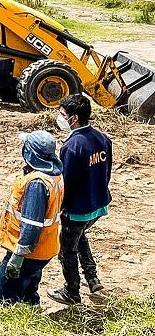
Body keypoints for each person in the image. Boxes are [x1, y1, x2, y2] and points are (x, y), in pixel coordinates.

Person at [47, 94, 113, 305]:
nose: (60, 117)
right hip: (98, 204)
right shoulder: (102, 138)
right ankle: (93, 280)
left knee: (67, 250)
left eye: (63, 114)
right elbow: (107, 172)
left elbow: (67, 183)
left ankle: (71, 292)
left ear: (74, 118)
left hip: (78, 209)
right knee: (80, 235)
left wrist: (60, 208)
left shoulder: (72, 147)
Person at [0, 130, 65, 305]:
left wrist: (18, 257)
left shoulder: (36, 184)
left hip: (28, 252)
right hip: (44, 247)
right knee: (28, 291)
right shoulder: (54, 176)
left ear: (30, 153)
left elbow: (31, 225)